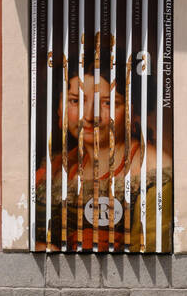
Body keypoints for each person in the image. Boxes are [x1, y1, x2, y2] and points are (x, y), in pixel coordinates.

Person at [34, 63, 172, 253]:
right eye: (76, 101)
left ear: (133, 111)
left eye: (108, 103)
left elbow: (151, 255)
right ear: (59, 108)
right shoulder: (60, 166)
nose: (89, 116)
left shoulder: (151, 168)